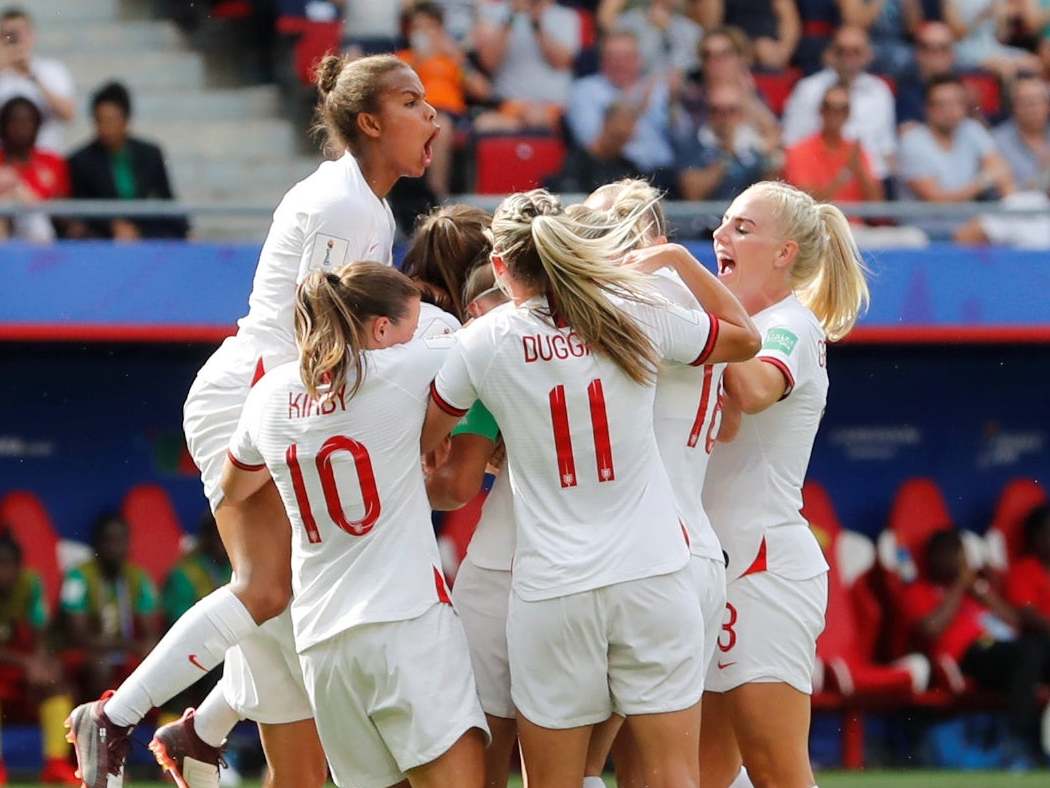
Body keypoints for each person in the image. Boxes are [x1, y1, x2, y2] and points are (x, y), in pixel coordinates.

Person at [66, 53, 440, 788]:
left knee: (286, 625)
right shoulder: (344, 204)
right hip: (254, 394)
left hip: (273, 393)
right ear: (369, 121)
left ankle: (202, 734)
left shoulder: (369, 205)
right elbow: (324, 336)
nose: (433, 116)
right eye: (413, 103)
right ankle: (113, 718)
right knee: (267, 590)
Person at [423, 188, 760, 787]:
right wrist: (679, 259)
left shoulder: (486, 337)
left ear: (498, 265)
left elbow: (431, 437)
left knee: (556, 781)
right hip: (655, 573)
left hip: (553, 588)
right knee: (672, 775)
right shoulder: (631, 311)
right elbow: (745, 338)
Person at [222, 262, 488, 788]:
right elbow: (493, 336)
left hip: (323, 642)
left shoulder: (270, 396)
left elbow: (233, 488)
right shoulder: (401, 371)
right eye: (409, 326)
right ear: (382, 330)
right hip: (405, 623)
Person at [698, 180, 870, 788]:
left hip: (763, 567)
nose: (720, 235)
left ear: (784, 254)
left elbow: (752, 389)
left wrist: (688, 280)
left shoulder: (789, 324)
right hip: (708, 566)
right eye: (723, 224)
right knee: (702, 775)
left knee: (775, 768)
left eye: (742, 228)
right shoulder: (732, 323)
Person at [577, 178, 745, 788]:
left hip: (643, 554)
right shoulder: (701, 303)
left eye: (595, 228)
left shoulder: (634, 297)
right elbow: (729, 420)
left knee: (589, 763)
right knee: (658, 763)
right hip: (695, 551)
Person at [906, 528, 1049, 763]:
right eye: (950, 553)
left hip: (1006, 651)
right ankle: (1017, 741)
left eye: (960, 553)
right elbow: (931, 629)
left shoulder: (976, 590)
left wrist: (983, 593)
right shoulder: (919, 590)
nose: (957, 560)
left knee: (1035, 649)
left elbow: (1015, 623)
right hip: (968, 657)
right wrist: (959, 587)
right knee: (1029, 652)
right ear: (933, 557)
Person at [0, 532, 79, 786]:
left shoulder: (29, 584)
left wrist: (42, 662)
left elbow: (41, 633)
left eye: (8, 563)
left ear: (18, 565)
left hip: (18, 671)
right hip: (9, 667)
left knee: (57, 686)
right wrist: (27, 663)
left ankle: (55, 764)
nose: (3, 571)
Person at [67, 81, 189, 241]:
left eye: (111, 120)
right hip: (103, 236)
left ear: (126, 120)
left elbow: (166, 200)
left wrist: (186, 230)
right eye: (100, 121)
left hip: (145, 232)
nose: (105, 128)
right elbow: (82, 208)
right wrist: (113, 226)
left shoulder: (151, 154)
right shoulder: (80, 160)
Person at [60, 515, 161, 702]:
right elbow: (78, 636)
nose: (115, 548)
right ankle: (99, 726)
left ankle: (150, 727)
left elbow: (150, 632)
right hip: (92, 651)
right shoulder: (78, 577)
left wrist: (146, 646)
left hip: (127, 648)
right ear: (97, 544)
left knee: (161, 663)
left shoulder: (139, 577)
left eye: (121, 541)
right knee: (100, 666)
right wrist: (126, 645)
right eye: (109, 541)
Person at [782, 25, 897, 179]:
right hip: (819, 176)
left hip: (870, 179)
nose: (848, 57)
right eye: (841, 50)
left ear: (869, 55)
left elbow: (886, 148)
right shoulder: (808, 89)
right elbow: (792, 141)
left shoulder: (880, 91)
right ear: (829, 54)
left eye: (856, 51)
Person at [566, 31, 675, 181]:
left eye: (627, 57)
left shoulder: (658, 89)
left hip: (663, 173)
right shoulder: (585, 90)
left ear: (639, 60)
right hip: (613, 173)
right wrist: (636, 109)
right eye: (613, 57)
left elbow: (676, 138)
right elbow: (590, 142)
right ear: (602, 61)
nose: (620, 63)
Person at [899, 74, 1014, 203]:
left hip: (970, 218)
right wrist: (983, 182)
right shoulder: (912, 142)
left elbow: (1000, 170)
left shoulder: (971, 128)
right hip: (926, 221)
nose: (950, 110)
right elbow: (937, 200)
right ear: (928, 109)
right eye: (942, 104)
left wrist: (1011, 200)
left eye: (956, 102)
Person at [473, 0, 580, 132]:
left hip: (554, 110)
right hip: (507, 108)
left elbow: (562, 62)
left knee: (535, 118)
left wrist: (536, 22)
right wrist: (510, 16)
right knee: (483, 125)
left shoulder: (566, 16)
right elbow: (488, 62)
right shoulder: (494, 13)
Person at [784, 81, 884, 202]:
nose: (834, 114)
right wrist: (847, 172)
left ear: (848, 113)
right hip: (819, 221)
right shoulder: (800, 151)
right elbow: (807, 204)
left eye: (842, 109)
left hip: (853, 220)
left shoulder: (856, 151)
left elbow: (877, 203)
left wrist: (859, 171)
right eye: (828, 107)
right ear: (821, 110)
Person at [676, 83, 778, 201]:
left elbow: (770, 194)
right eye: (716, 110)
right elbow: (693, 194)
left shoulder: (754, 145)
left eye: (731, 111)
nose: (724, 118)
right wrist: (726, 154)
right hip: (707, 217)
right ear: (708, 113)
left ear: (741, 114)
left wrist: (769, 161)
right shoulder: (692, 143)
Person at [0, 6, 74, 151]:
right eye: (9, 34)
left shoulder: (53, 70)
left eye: (20, 33)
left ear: (32, 35)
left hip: (45, 159)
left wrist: (34, 76)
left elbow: (68, 114)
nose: (16, 39)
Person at [0, 95, 69, 242]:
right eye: (15, 122)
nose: (21, 128)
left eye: (27, 121)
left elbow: (64, 214)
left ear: (37, 125)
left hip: (42, 241)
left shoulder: (52, 162)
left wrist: (28, 198)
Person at [596, 0, 704, 77]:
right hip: (633, 91)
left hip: (678, 95)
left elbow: (690, 67)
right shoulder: (629, 22)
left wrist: (669, 29)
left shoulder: (692, 30)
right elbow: (605, 21)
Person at [945, 0, 1042, 79]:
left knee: (1035, 63)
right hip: (965, 49)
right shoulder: (954, 2)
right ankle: (1009, 103)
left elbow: (1002, 37)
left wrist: (1003, 18)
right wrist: (981, 16)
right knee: (1005, 68)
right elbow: (957, 34)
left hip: (992, 47)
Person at [693, 0, 801, 69]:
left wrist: (781, 53)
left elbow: (790, 21)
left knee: (765, 49)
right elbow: (710, 27)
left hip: (766, 51)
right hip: (731, 47)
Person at [895, 21, 958, 128]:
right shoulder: (905, 91)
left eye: (943, 48)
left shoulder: (966, 87)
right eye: (928, 48)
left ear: (953, 54)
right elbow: (907, 133)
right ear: (917, 53)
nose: (936, 55)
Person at [992, 74, 1050, 191]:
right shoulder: (997, 141)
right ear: (1013, 106)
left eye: (1036, 102)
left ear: (1048, 105)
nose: (1032, 108)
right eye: (1025, 102)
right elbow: (997, 189)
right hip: (1016, 207)